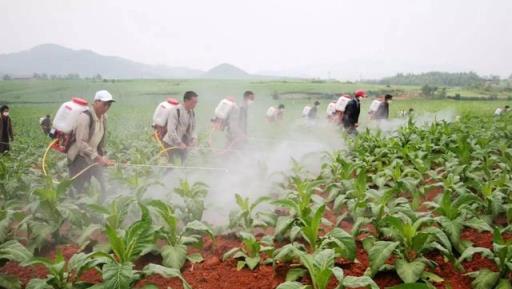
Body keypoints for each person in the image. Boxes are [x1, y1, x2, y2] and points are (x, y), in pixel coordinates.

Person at [67, 90, 115, 199]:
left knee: (102, 186)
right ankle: (78, 211)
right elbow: (81, 143)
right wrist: (98, 158)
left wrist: (103, 156)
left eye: (109, 104)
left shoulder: (104, 117)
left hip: (92, 157)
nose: (107, 107)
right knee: (80, 190)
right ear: (96, 102)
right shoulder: (85, 117)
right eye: (105, 104)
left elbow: (101, 140)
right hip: (79, 158)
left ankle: (100, 212)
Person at [162, 91, 198, 164]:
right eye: (193, 102)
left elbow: (193, 128)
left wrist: (194, 138)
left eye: (196, 102)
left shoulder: (192, 112)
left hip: (183, 145)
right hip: (171, 144)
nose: (195, 105)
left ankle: (182, 175)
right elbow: (171, 131)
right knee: (170, 166)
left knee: (184, 164)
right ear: (186, 101)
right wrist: (179, 143)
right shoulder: (176, 111)